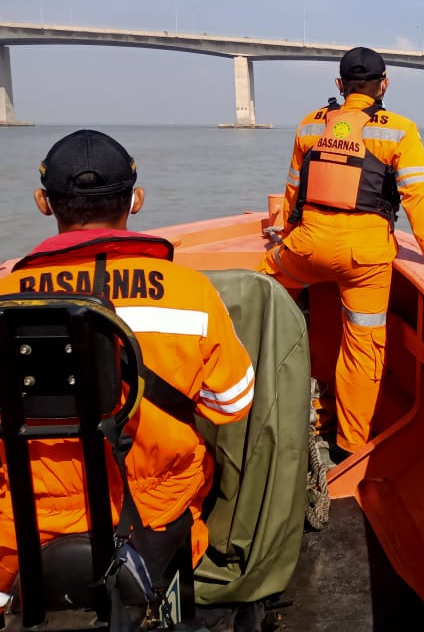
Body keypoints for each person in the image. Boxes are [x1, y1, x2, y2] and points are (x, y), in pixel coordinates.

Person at [0, 129, 255, 603]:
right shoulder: (191, 293)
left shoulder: (4, 300)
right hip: (155, 521)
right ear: (136, 200)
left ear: (42, 202)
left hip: (22, 533)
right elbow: (233, 404)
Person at [259, 46, 424, 457]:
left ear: (340, 85)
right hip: (366, 257)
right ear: (383, 84)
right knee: (363, 347)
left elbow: (294, 189)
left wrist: (286, 234)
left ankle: (260, 394)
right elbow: (416, 195)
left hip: (306, 244)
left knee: (263, 292)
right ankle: (348, 447)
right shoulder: (399, 130)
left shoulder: (309, 125)